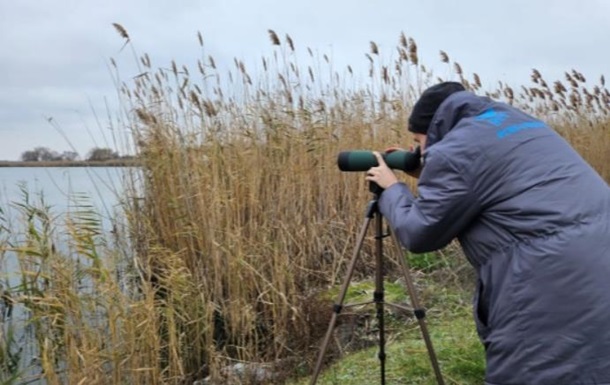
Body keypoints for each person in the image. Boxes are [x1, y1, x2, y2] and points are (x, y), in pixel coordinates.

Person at [365, 81, 610, 385]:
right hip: (597, 258)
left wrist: (392, 189)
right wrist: (428, 172)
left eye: (418, 140)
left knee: (535, 370)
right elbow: (497, 180)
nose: (420, 149)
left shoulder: (454, 151)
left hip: (545, 282)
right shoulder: (519, 122)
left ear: (434, 128)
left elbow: (419, 233)